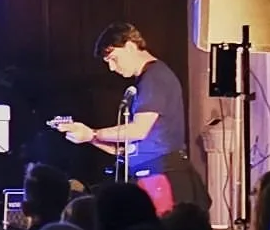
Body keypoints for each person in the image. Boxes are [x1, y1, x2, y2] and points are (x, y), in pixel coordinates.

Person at [51, 23, 207, 216]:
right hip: (153, 176)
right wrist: (88, 137)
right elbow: (126, 148)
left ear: (131, 46)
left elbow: (138, 130)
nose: (111, 68)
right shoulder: (148, 79)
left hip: (162, 178)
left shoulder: (154, 78)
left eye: (113, 59)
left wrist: (93, 133)